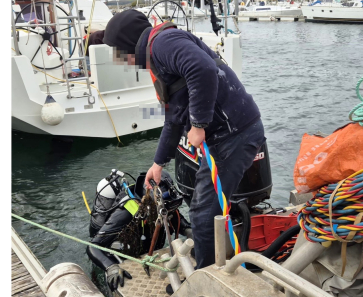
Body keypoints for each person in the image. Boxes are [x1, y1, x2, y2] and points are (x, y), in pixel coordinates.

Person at [103, 9, 265, 272]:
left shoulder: (163, 43)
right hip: (224, 138)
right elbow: (174, 119)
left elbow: (202, 69)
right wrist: (158, 163)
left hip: (234, 134)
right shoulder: (157, 58)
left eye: (117, 52)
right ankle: (213, 268)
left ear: (128, 45)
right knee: (202, 208)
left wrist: (199, 125)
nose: (119, 59)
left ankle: (208, 283)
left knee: (202, 215)